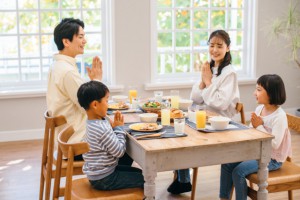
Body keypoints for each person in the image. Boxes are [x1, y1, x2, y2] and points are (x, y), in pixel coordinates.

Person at [167, 30, 240, 194]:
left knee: (183, 134)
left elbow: (220, 103)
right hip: (204, 119)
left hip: (221, 124)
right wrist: (203, 82)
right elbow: (195, 98)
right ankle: (183, 179)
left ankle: (183, 178)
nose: (214, 49)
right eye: (212, 45)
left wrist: (207, 82)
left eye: (219, 46)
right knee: (178, 131)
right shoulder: (210, 67)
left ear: (228, 48)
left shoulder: (230, 73)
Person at [219, 74, 292, 200]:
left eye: (258, 90)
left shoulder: (279, 116)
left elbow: (274, 144)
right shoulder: (259, 109)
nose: (254, 93)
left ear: (271, 93)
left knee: (238, 171)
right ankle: (224, 198)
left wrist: (258, 126)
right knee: (227, 164)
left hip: (272, 159)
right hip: (256, 153)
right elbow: (253, 131)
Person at [46, 18, 102, 160]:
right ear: (66, 42)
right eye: (81, 37)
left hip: (65, 141)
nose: (85, 41)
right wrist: (97, 81)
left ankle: (105, 174)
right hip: (75, 144)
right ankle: (103, 177)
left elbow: (82, 99)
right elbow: (91, 107)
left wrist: (93, 84)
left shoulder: (57, 66)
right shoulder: (67, 72)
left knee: (117, 134)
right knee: (124, 139)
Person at [77, 81, 144, 190]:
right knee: (144, 179)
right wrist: (119, 128)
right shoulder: (101, 128)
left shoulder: (92, 121)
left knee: (140, 173)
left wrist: (114, 129)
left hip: (98, 173)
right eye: (106, 101)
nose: (108, 105)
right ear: (95, 104)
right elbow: (119, 152)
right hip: (105, 178)